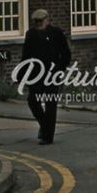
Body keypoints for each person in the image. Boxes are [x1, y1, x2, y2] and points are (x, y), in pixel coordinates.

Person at [20, 9, 71, 145]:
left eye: (40, 21)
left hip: (52, 74)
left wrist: (59, 68)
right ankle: (44, 125)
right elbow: (26, 56)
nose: (38, 24)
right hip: (36, 75)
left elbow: (66, 54)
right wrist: (21, 75)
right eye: (36, 22)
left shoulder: (56, 33)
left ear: (47, 20)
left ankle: (48, 137)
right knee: (33, 101)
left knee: (50, 104)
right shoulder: (30, 34)